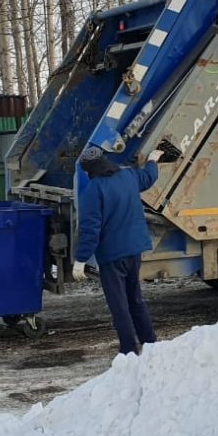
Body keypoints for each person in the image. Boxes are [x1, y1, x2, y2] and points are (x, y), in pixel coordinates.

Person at [72, 146, 164, 355]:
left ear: (88, 172)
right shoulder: (129, 175)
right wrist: (152, 160)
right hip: (134, 250)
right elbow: (149, 177)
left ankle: (128, 350)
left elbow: (90, 229)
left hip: (113, 256)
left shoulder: (94, 190)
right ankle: (150, 344)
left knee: (119, 305)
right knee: (135, 299)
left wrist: (81, 260)